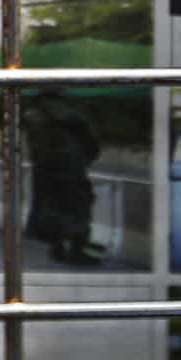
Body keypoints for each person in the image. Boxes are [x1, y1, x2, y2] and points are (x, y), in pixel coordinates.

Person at [23, 88, 106, 264]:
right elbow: (92, 144)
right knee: (79, 209)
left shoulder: (33, 117)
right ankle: (76, 250)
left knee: (54, 208)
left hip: (45, 171)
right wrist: (83, 160)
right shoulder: (74, 117)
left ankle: (58, 246)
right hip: (71, 169)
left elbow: (33, 147)